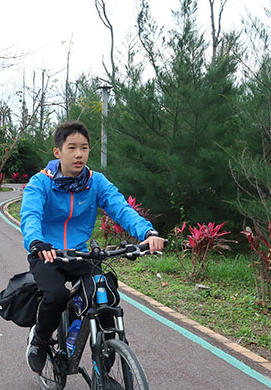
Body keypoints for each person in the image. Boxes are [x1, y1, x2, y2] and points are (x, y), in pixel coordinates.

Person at [20, 121, 165, 373]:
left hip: (80, 254)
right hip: (47, 253)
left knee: (104, 294)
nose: (79, 154)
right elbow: (30, 214)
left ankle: (104, 363)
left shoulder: (96, 182)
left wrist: (147, 232)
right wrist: (36, 241)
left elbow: (121, 208)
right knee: (56, 296)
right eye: (72, 147)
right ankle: (40, 341)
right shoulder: (40, 182)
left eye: (84, 148)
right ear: (58, 152)